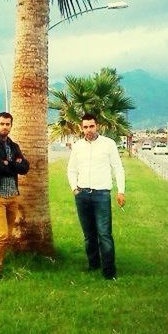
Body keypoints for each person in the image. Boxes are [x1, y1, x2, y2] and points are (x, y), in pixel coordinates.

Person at [67, 113, 125, 280]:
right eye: (85, 127)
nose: (88, 130)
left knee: (104, 234)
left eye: (91, 126)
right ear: (81, 127)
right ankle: (93, 265)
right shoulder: (77, 146)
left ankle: (109, 272)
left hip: (102, 195)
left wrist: (121, 191)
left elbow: (118, 168)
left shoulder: (108, 144)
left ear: (97, 126)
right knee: (89, 235)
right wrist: (74, 189)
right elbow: (71, 169)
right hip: (82, 194)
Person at [0, 112, 29, 280]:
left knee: (7, 236)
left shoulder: (14, 146)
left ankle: (0, 261)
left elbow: (25, 167)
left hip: (13, 198)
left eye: (7, 124)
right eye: (2, 124)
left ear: (11, 126)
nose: (4, 127)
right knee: (1, 234)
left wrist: (8, 163)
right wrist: (12, 165)